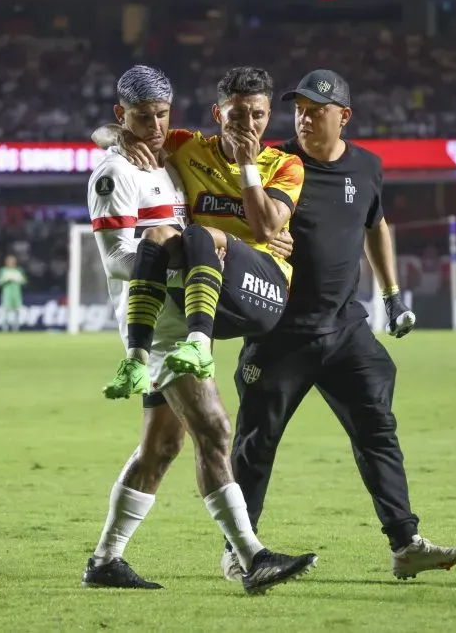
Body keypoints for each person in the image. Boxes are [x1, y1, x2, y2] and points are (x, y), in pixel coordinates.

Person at [107, 69, 456, 582]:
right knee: (248, 444)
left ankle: (405, 542)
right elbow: (142, 133)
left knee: (377, 430)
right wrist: (117, 136)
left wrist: (391, 295)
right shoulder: (230, 154)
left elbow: (374, 225)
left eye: (314, 110)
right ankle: (238, 552)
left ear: (343, 116)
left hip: (344, 327)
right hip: (278, 331)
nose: (301, 118)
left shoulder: (334, 166)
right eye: (298, 109)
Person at [82, 64, 316, 595]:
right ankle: (252, 556)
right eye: (142, 118)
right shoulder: (115, 171)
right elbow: (116, 258)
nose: (155, 127)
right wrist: (175, 254)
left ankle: (105, 561)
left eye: (162, 115)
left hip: (177, 307)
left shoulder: (169, 158)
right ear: (122, 115)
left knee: (162, 446)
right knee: (214, 429)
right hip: (156, 319)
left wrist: (247, 246)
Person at [98, 66, 305, 398]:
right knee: (158, 237)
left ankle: (198, 346)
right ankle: (136, 360)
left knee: (197, 235)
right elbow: (116, 131)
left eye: (257, 115)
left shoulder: (285, 165)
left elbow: (266, 229)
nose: (248, 125)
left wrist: (247, 164)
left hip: (264, 290)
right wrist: (120, 136)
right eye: (237, 115)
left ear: (269, 115)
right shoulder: (188, 148)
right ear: (218, 114)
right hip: (206, 288)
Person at [0, 255, 25, 332]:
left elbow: (24, 281)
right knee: (5, 310)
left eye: (12, 261)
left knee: (17, 310)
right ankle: (4, 328)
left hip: (16, 294)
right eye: (9, 261)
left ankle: (15, 328)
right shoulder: (3, 270)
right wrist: (6, 279)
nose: (11, 262)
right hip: (7, 293)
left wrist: (19, 279)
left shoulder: (18, 270)